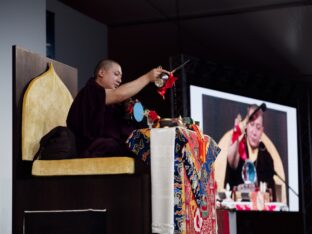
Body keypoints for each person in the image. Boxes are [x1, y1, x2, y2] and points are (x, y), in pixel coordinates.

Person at [66, 59, 169, 157]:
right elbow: (119, 94)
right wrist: (147, 77)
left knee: (162, 142)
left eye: (121, 77)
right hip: (93, 147)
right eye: (116, 74)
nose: (119, 80)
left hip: (112, 144)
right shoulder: (90, 91)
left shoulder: (112, 101)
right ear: (101, 73)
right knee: (152, 147)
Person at [224, 104, 276, 201]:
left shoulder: (266, 157)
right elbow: (231, 162)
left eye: (258, 127)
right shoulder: (239, 147)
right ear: (246, 125)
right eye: (251, 125)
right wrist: (237, 133)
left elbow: (271, 195)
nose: (254, 132)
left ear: (262, 131)